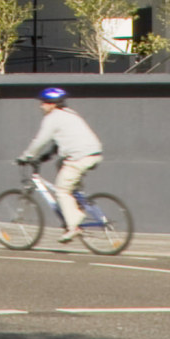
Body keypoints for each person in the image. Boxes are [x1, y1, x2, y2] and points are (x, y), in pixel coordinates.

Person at [16, 85, 104, 246]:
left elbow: (40, 140)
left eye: (43, 103)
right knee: (62, 166)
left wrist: (26, 157)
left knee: (61, 190)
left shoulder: (52, 118)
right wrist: (45, 157)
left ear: (52, 104)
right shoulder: (71, 114)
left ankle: (73, 226)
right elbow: (59, 142)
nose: (41, 106)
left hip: (79, 157)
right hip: (94, 154)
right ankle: (78, 202)